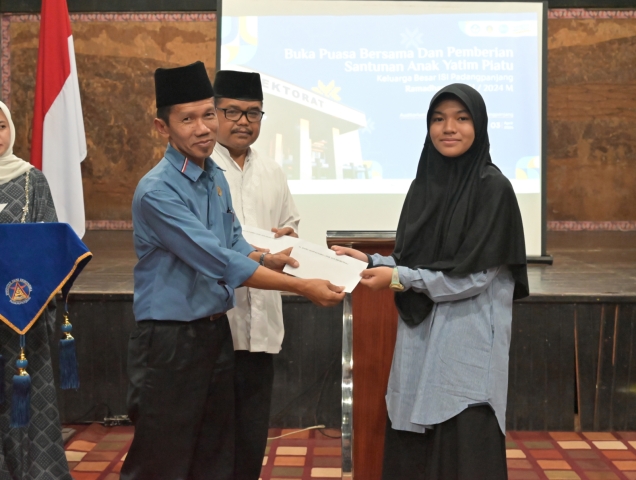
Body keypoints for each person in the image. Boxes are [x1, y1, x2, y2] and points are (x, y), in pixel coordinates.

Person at [121, 61, 344, 480]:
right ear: (162, 127)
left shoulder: (214, 177)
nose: (203, 128)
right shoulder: (157, 190)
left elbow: (235, 244)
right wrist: (302, 287)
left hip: (214, 334)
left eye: (208, 115)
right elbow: (218, 260)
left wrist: (267, 257)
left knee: (216, 457)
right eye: (188, 119)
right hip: (170, 341)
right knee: (163, 460)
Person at [333, 84, 529, 479]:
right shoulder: (423, 187)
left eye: (461, 118)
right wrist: (371, 261)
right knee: (414, 452)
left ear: (479, 125)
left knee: (463, 452)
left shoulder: (494, 189)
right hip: (419, 343)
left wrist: (397, 278)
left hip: (466, 347)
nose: (448, 128)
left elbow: (473, 277)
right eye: (438, 119)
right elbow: (415, 261)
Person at [210, 70, 300, 479]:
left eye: (253, 113)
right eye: (232, 112)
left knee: (251, 434)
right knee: (213, 437)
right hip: (216, 321)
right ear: (213, 113)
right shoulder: (202, 168)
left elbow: (290, 224)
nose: (243, 122)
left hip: (262, 320)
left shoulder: (272, 170)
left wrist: (289, 237)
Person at [0, 101, 72, 478]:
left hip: (22, 316)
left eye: (0, 126)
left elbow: (49, 247)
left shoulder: (32, 179)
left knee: (27, 404)